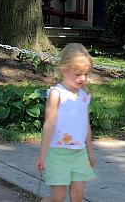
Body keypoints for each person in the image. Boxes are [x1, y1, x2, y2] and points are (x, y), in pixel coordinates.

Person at [36, 43, 96, 202]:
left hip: (79, 153)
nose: (82, 79)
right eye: (77, 74)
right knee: (58, 198)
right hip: (57, 153)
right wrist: (42, 155)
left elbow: (86, 126)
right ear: (64, 70)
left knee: (78, 196)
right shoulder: (57, 94)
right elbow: (48, 125)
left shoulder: (84, 96)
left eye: (85, 74)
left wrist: (89, 151)